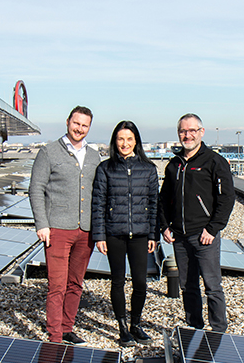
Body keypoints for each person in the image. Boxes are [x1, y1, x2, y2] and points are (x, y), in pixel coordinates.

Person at [29, 106, 100, 344]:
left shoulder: (93, 156)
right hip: (57, 229)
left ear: (89, 128)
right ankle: (55, 335)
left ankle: (68, 326)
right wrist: (42, 223)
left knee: (75, 283)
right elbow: (36, 188)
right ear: (68, 121)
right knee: (57, 284)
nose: (79, 129)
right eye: (76, 123)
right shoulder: (48, 152)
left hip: (86, 230)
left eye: (84, 125)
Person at [158, 113, 235, 333]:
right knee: (187, 286)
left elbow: (227, 198)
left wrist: (213, 228)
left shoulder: (214, 162)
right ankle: (194, 328)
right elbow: (163, 199)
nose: (187, 135)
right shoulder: (174, 165)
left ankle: (219, 332)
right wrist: (164, 225)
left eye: (192, 130)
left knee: (212, 286)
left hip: (204, 235)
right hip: (179, 236)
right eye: (183, 131)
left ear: (201, 132)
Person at [91, 121, 159, 347]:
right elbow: (98, 203)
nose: (125, 144)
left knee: (140, 282)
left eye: (129, 139)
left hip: (140, 234)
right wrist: (99, 236)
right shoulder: (105, 169)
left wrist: (153, 235)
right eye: (120, 139)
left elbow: (153, 203)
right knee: (117, 281)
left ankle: (136, 324)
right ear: (114, 141)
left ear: (136, 141)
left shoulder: (148, 169)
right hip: (114, 234)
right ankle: (122, 328)